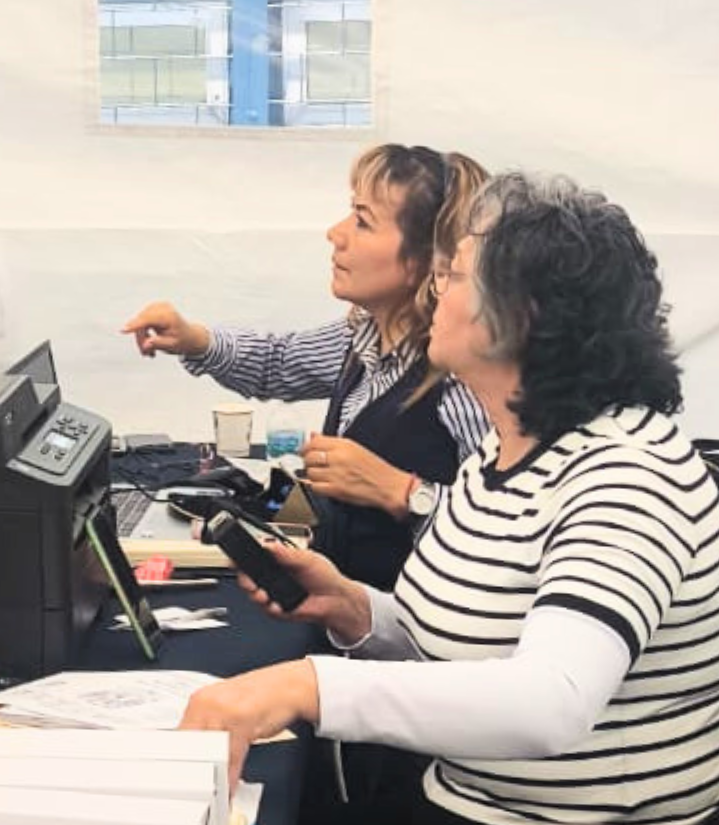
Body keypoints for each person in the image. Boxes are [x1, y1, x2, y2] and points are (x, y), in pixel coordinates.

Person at [180, 173, 719, 825]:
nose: (434, 291)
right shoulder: (507, 449)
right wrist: (355, 609)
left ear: (521, 316)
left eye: (452, 275)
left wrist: (307, 685)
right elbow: (472, 641)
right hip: (470, 799)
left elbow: (550, 702)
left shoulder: (626, 477)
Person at [119, 144, 491, 591]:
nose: (335, 233)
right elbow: (279, 362)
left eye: (363, 221)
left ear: (424, 261)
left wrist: (401, 492)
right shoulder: (363, 337)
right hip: (344, 604)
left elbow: (503, 532)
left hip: (404, 621)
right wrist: (195, 339)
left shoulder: (463, 379)